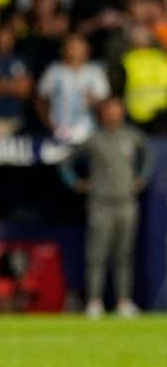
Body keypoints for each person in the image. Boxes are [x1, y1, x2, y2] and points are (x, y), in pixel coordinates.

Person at [58, 97, 152, 319]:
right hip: (100, 204)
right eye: (109, 111)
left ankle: (123, 302)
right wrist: (75, 182)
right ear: (103, 114)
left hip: (126, 203)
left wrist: (142, 178)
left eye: (117, 110)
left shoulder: (132, 136)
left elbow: (148, 158)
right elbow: (66, 161)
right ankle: (94, 302)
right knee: (96, 255)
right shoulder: (94, 139)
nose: (113, 115)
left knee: (124, 255)